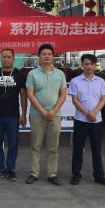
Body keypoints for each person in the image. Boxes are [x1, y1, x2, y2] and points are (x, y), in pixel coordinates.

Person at [25, 43, 67, 186]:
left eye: (49, 54)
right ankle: (34, 173)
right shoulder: (32, 74)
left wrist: (54, 111)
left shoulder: (60, 74)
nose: (47, 56)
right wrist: (42, 111)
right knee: (35, 145)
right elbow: (30, 94)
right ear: (39, 57)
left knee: (53, 147)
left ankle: (52, 174)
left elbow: (63, 95)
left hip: (55, 115)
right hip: (37, 114)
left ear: (53, 56)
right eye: (44, 54)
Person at [68, 54, 105, 186]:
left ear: (95, 65)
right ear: (82, 65)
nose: (89, 66)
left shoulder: (101, 81)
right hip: (81, 120)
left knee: (96, 149)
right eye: (86, 64)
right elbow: (75, 100)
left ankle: (99, 175)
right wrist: (87, 113)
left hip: (96, 121)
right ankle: (76, 174)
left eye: (92, 64)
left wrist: (94, 112)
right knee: (78, 149)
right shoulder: (75, 81)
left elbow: (103, 99)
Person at [0, 48, 27, 182]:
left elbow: (23, 95)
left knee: (13, 144)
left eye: (9, 57)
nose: (6, 59)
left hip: (13, 116)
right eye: (4, 57)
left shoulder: (20, 75)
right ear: (0, 58)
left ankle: (10, 170)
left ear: (13, 59)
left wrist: (23, 114)